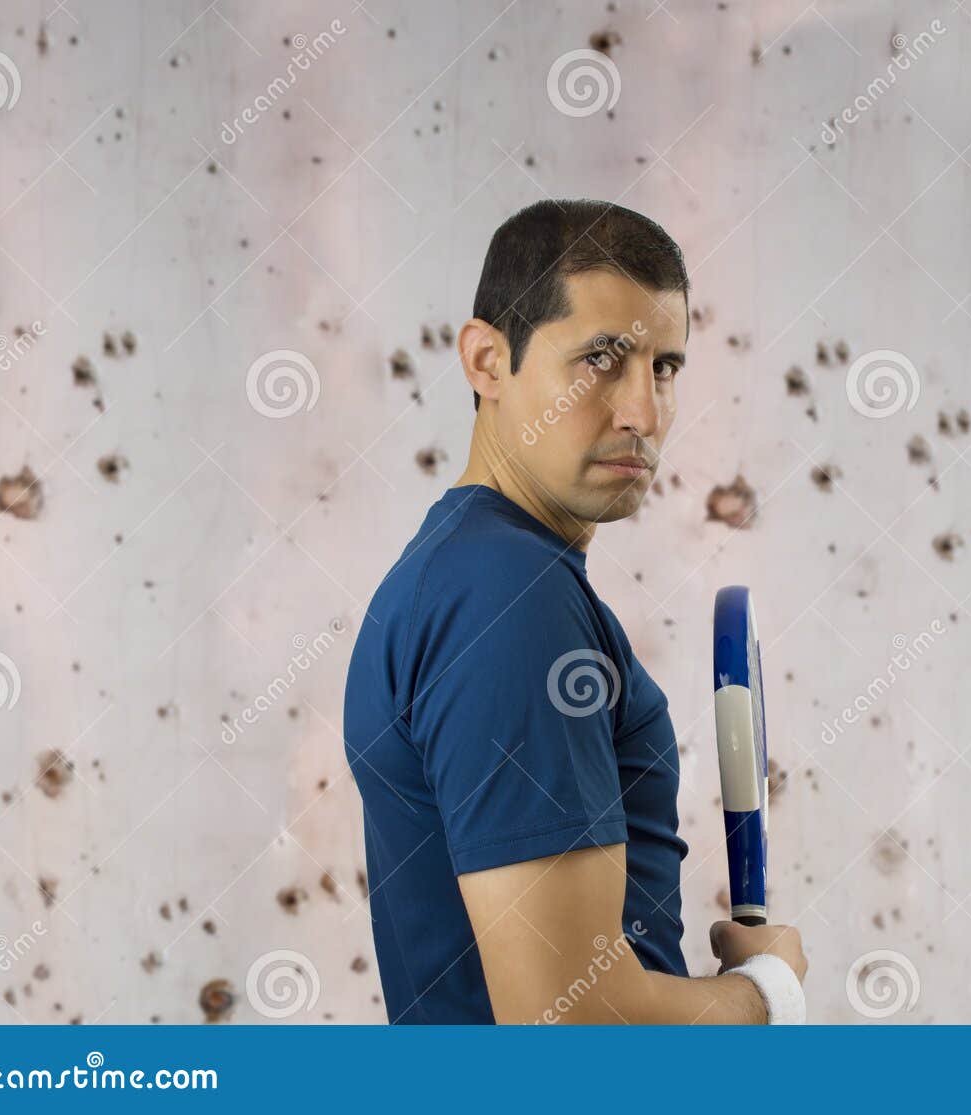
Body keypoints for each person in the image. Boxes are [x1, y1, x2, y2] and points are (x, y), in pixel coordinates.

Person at [343, 199, 807, 1024]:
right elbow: (572, 1024)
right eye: (601, 358)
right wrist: (769, 993)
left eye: (664, 366)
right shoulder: (505, 599)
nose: (643, 411)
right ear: (487, 361)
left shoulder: (471, 573)